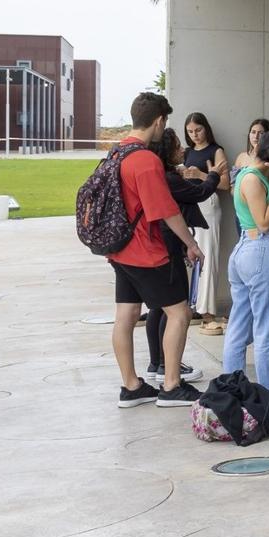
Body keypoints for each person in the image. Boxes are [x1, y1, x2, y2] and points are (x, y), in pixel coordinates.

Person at [107, 92, 206, 408]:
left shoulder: (116, 153)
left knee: (126, 315)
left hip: (119, 249)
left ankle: (131, 386)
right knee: (179, 312)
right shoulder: (146, 160)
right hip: (146, 252)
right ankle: (172, 385)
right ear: (160, 120)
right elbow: (165, 211)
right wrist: (191, 244)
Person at [219, 130, 269, 399]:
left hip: (246, 251)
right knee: (266, 333)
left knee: (238, 328)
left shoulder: (254, 173)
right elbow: (264, 222)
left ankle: (233, 394)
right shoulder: (253, 178)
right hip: (260, 250)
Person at [142, 127, 214, 388]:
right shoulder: (169, 180)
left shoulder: (160, 175)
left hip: (156, 245)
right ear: (166, 151)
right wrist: (215, 175)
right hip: (168, 246)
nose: (183, 150)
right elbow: (199, 194)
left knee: (158, 308)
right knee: (176, 311)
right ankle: (167, 368)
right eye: (177, 147)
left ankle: (156, 364)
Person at [182, 113, 228, 330]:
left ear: (206, 129)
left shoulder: (216, 151)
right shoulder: (187, 152)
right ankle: (193, 306)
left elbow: (226, 184)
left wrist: (202, 175)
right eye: (190, 132)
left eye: (198, 130)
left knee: (208, 257)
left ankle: (207, 310)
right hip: (190, 204)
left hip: (208, 205)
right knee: (192, 257)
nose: (194, 135)